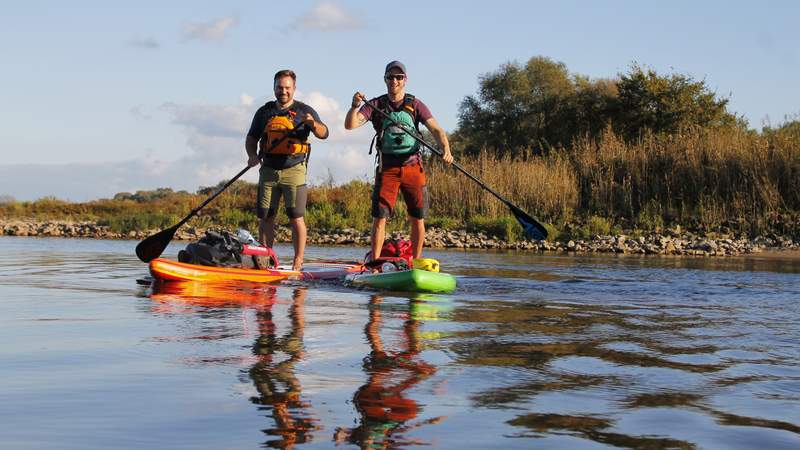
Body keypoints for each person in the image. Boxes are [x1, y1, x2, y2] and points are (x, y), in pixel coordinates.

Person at [344, 61, 453, 261]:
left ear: (405, 80)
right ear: (385, 79)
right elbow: (350, 125)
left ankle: (416, 261)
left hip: (413, 166)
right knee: (380, 217)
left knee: (417, 217)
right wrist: (354, 106)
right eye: (390, 77)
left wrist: (445, 148)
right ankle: (375, 263)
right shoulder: (376, 104)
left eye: (399, 77)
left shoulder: (415, 104)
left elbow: (437, 130)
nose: (394, 80)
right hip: (388, 168)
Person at [246, 69, 329, 271]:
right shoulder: (264, 112)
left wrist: (313, 124)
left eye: (287, 88)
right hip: (268, 169)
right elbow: (251, 139)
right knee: (266, 215)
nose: (283, 91)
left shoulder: (304, 110)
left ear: (294, 88)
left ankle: (298, 261)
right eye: (279, 87)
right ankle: (265, 260)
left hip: (294, 169)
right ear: (274, 88)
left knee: (296, 215)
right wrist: (252, 155)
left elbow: (324, 133)